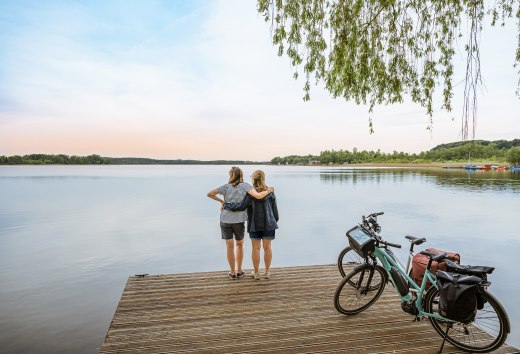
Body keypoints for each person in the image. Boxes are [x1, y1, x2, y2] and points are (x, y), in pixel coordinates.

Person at [207, 167, 274, 279]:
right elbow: (260, 198)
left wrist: (222, 202)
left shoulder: (225, 187)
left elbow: (210, 194)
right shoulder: (246, 186)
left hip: (225, 220)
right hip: (241, 221)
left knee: (229, 246)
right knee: (240, 245)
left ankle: (234, 272)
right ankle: (243, 271)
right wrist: (269, 190)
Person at [224, 170, 278, 280]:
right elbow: (275, 212)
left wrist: (226, 205)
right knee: (267, 248)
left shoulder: (250, 193)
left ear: (253, 179)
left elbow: (240, 206)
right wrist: (273, 221)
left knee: (256, 248)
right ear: (263, 178)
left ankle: (257, 273)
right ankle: (267, 272)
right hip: (269, 223)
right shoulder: (270, 192)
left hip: (254, 224)